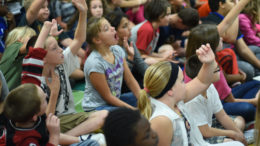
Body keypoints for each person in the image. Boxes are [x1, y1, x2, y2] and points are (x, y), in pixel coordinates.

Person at [21, 0, 108, 138]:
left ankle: (69, 137)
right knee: (103, 119)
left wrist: (83, 13)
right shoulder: (35, 81)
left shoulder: (60, 63)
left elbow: (78, 40)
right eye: (55, 48)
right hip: (53, 121)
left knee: (108, 116)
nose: (61, 50)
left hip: (70, 117)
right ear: (43, 58)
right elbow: (43, 122)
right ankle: (65, 139)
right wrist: (54, 93)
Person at [138, 44, 244, 146]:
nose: (186, 84)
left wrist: (209, 62)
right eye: (182, 81)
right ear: (170, 90)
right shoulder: (161, 120)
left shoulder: (174, 99)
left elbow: (202, 81)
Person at [185, 24, 259, 122]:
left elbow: (225, 83)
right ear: (210, 45)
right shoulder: (210, 65)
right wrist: (254, 101)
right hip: (213, 108)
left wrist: (239, 77)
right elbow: (229, 100)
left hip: (221, 98)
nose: (221, 38)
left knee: (255, 83)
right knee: (249, 109)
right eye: (218, 38)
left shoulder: (190, 61)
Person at [185, 55, 247, 145]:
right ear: (203, 73)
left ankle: (228, 140)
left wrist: (240, 135)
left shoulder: (210, 86)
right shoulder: (193, 100)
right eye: (213, 65)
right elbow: (205, 132)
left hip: (208, 127)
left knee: (239, 121)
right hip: (199, 137)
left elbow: (222, 116)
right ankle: (228, 140)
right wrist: (232, 133)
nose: (217, 66)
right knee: (233, 141)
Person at [83, 17, 141, 111]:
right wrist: (132, 110)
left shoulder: (117, 50)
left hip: (114, 101)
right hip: (98, 107)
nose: (113, 28)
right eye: (106, 28)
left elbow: (130, 80)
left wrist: (142, 99)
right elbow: (108, 97)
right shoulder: (94, 63)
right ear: (97, 40)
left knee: (146, 97)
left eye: (110, 25)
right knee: (130, 116)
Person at [203, 0, 260, 80]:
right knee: (248, 69)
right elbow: (230, 38)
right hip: (222, 59)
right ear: (221, 4)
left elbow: (243, 48)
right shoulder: (209, 20)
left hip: (234, 54)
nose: (235, 3)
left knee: (257, 49)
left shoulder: (230, 20)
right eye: (231, 1)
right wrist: (236, 9)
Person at [105, 11, 148, 91]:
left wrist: (154, 78)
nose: (130, 28)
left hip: (130, 77)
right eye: (124, 26)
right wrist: (130, 58)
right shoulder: (112, 48)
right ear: (114, 30)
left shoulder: (128, 40)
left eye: (128, 24)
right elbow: (121, 77)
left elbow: (140, 62)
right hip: (120, 85)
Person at [130, 0, 174, 65]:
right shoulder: (147, 29)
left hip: (140, 57)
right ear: (159, 16)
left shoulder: (156, 28)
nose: (170, 18)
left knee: (168, 50)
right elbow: (139, 56)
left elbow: (147, 52)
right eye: (167, 15)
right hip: (132, 62)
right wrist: (162, 59)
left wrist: (162, 56)